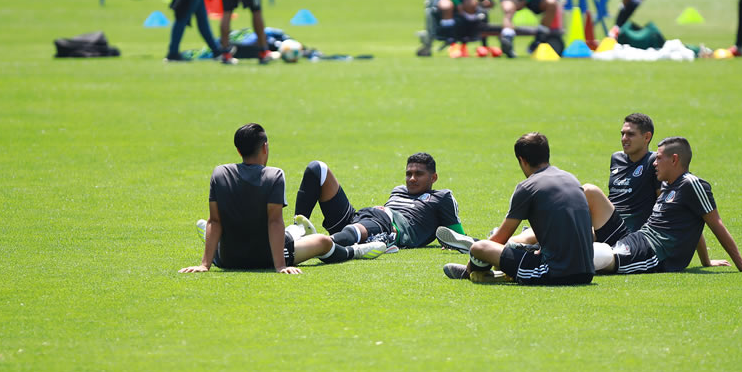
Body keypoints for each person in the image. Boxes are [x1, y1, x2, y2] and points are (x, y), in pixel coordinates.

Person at [179, 124, 388, 275]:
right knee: (323, 241)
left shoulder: (218, 173)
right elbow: (274, 222)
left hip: (227, 259)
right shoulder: (273, 175)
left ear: (238, 150)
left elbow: (214, 221)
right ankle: (356, 251)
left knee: (216, 227)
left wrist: (205, 265)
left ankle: (214, 243)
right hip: (268, 257)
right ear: (265, 147)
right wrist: (280, 266)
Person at [584, 137, 742, 274]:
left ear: (674, 160)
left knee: (601, 258)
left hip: (654, 254)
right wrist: (706, 261)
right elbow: (695, 226)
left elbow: (714, 223)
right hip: (637, 239)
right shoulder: (668, 185)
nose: (654, 163)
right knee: (592, 251)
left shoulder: (692, 184)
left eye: (659, 158)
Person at [439, 133, 595, 285]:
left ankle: (470, 271)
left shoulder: (527, 187)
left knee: (481, 247)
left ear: (522, 160)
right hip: (587, 271)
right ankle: (501, 272)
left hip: (554, 272)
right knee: (519, 248)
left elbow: (500, 239)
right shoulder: (571, 179)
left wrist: (474, 258)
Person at [292, 153, 465, 253]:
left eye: (418, 174)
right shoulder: (398, 190)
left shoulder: (441, 197)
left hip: (389, 227)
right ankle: (297, 231)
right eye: (408, 173)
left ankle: (302, 248)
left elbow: (459, 237)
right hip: (364, 219)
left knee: (377, 220)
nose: (411, 179)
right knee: (318, 168)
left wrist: (453, 243)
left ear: (433, 177)